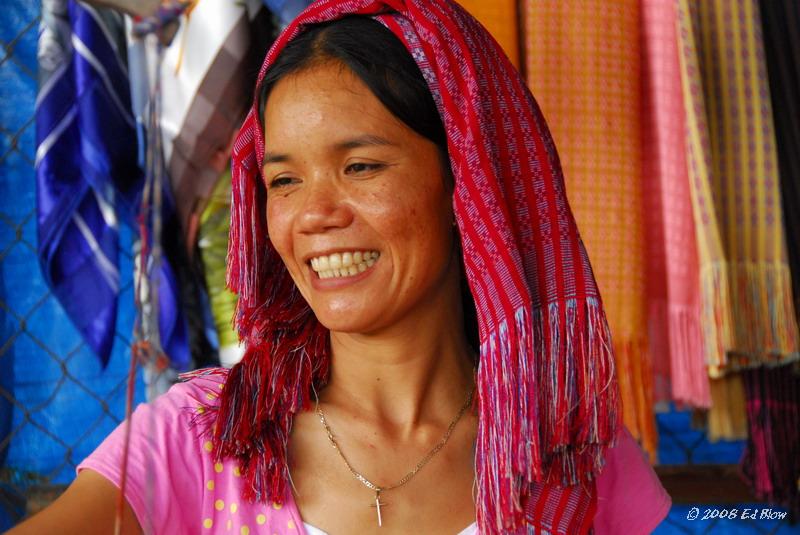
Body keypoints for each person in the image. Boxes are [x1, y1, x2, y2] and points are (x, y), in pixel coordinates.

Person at [9, 1, 670, 533]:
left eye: (361, 166)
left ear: (464, 183)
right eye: (285, 180)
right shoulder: (201, 439)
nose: (312, 214)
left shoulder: (570, 453)